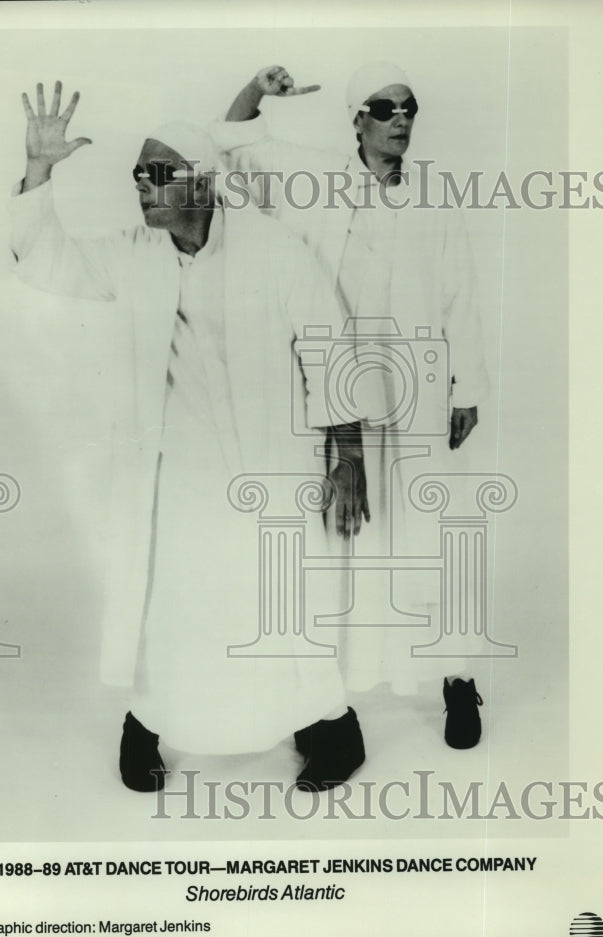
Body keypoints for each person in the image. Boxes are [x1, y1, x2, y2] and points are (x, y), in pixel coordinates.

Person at [9, 81, 371, 793]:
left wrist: (348, 456)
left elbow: (330, 348)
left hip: (268, 465)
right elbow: (43, 260)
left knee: (280, 602)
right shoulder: (132, 253)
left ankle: (330, 731)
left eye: (160, 172)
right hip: (176, 474)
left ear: (205, 182)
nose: (143, 186)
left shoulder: (275, 252)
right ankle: (143, 727)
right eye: (138, 174)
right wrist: (38, 173)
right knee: (170, 607)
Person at [211, 61, 491, 749]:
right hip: (337, 394)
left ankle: (456, 679)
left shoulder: (436, 197)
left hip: (418, 392)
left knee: (429, 541)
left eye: (408, 107)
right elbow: (230, 144)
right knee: (347, 537)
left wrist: (470, 385)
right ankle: (335, 695)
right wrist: (256, 90)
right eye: (383, 107)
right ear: (355, 119)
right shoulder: (312, 180)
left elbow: (460, 292)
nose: (400, 119)